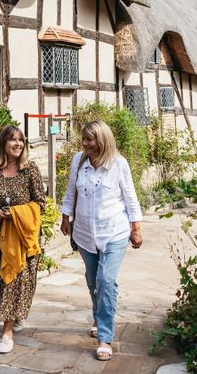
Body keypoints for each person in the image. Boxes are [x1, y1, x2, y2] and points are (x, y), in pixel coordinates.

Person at [60, 120, 143, 362]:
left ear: (103, 141)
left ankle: (104, 337)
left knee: (106, 280)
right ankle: (98, 314)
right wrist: (66, 217)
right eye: (84, 140)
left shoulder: (119, 164)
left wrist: (135, 228)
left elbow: (130, 196)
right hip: (85, 233)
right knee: (92, 279)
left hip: (114, 232)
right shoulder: (79, 161)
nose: (85, 144)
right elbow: (70, 191)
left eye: (90, 140)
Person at [0, 124, 46, 354]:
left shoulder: (29, 169)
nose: (18, 144)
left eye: (21, 140)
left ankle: (7, 332)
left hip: (21, 238)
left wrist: (17, 213)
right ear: (2, 143)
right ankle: (14, 315)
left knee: (12, 281)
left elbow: (40, 203)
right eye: (12, 140)